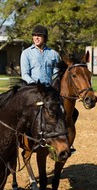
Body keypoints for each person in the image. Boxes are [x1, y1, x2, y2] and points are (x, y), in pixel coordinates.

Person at [20, 25, 77, 153]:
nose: (36, 38)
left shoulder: (54, 54)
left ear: (45, 38)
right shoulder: (26, 53)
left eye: (39, 36)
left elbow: (56, 74)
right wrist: (36, 86)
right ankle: (23, 141)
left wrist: (53, 87)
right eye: (34, 35)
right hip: (33, 89)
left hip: (51, 91)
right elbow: (25, 74)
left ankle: (67, 140)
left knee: (72, 112)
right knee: (27, 115)